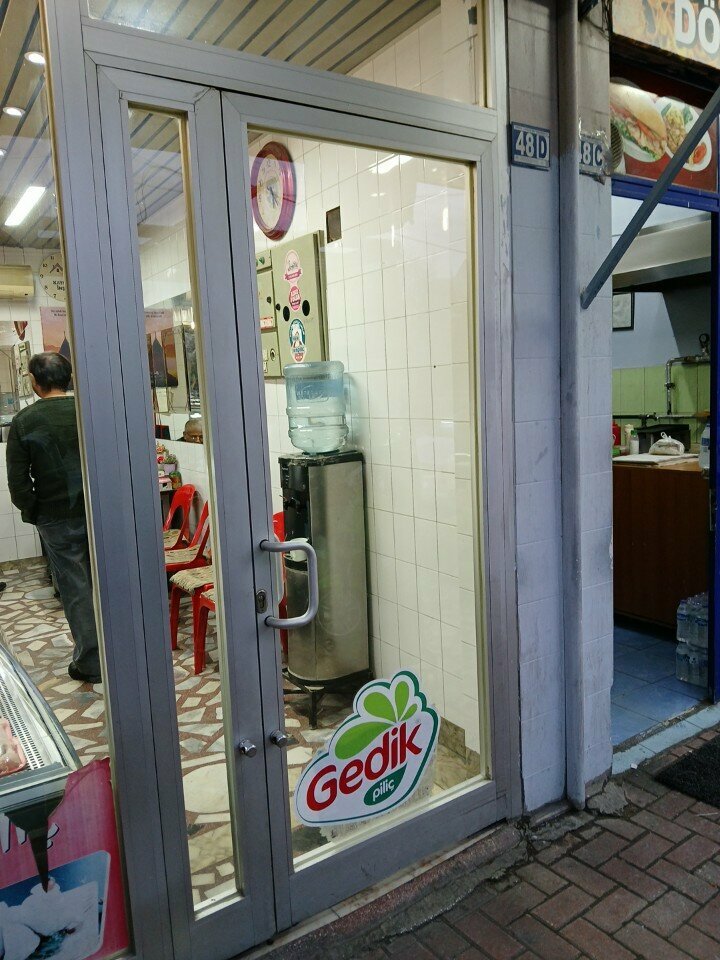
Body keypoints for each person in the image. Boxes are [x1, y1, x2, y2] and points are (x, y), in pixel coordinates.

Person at [6, 352, 101, 684]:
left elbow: (18, 482)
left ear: (34, 382)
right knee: (108, 583)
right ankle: (120, 650)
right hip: (99, 512)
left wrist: (33, 511)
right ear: (69, 379)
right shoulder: (89, 413)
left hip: (56, 517)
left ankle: (91, 662)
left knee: (76, 587)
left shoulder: (24, 421)